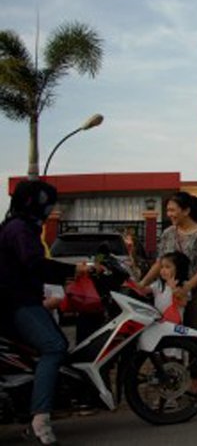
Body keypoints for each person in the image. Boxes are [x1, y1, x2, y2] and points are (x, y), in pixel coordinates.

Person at [0, 180, 91, 445]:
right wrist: (74, 271)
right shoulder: (20, 229)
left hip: (21, 300)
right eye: (46, 201)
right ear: (33, 202)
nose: (50, 207)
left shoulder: (18, 226)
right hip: (16, 303)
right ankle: (40, 421)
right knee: (54, 346)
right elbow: (34, 264)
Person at [139, 192, 197, 394]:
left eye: (173, 209)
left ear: (186, 210)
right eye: (168, 210)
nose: (169, 214)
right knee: (173, 335)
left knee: (196, 336)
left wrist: (186, 288)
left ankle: (196, 382)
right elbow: (159, 262)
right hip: (172, 294)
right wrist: (142, 283)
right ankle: (176, 378)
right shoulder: (167, 234)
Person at [144, 251, 191, 321]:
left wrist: (173, 288)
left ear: (178, 269)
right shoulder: (159, 284)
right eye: (162, 267)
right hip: (159, 322)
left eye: (167, 267)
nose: (163, 270)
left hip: (174, 324)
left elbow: (183, 302)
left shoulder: (184, 285)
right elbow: (144, 290)